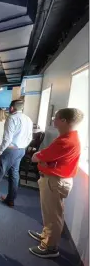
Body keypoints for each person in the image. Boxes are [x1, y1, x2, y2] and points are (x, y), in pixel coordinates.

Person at [28, 108, 83, 258]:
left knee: (53, 215)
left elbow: (40, 156)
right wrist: (44, 161)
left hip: (55, 181)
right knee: (49, 213)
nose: (54, 121)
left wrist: (41, 158)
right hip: (54, 180)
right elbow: (46, 158)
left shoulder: (66, 141)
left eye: (56, 118)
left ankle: (50, 247)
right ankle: (46, 236)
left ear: (64, 120)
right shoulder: (68, 137)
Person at [0, 100, 33, 207]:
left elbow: (7, 138)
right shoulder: (28, 119)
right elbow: (30, 137)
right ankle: (11, 199)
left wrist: (0, 151)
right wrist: (21, 146)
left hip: (10, 150)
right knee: (14, 175)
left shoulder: (12, 118)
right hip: (21, 150)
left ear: (12, 108)